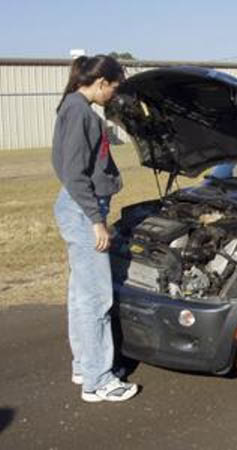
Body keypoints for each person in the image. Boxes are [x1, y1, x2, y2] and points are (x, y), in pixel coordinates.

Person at [52, 55, 138, 402]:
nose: (114, 96)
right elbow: (74, 173)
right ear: (101, 81)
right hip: (83, 210)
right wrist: (96, 221)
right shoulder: (79, 112)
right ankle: (99, 381)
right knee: (97, 298)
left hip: (78, 207)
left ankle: (85, 365)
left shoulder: (74, 106)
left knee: (80, 295)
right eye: (114, 88)